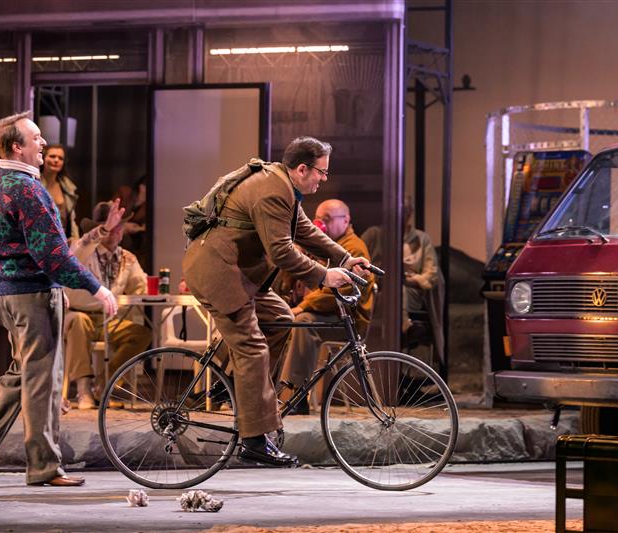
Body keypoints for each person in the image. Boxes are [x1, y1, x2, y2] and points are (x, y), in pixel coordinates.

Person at [0, 111, 117, 487]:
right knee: (42, 381)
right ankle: (44, 467)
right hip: (32, 294)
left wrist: (58, 289)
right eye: (36, 137)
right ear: (16, 147)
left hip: (11, 293)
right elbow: (52, 255)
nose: (43, 143)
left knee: (24, 372)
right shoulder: (28, 189)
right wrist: (96, 287)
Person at [181, 136, 368, 467]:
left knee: (282, 318)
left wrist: (343, 258)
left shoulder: (284, 186)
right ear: (302, 169)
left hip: (239, 274)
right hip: (219, 275)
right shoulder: (272, 190)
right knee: (252, 348)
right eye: (322, 172)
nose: (324, 179)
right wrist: (324, 276)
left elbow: (304, 230)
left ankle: (247, 395)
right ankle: (254, 440)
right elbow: (281, 251)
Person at [279, 199, 374, 415]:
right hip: (330, 316)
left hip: (348, 322)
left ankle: (297, 396)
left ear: (346, 220)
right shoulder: (324, 247)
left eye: (327, 219)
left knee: (304, 323)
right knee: (275, 318)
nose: (320, 224)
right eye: (318, 219)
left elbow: (340, 292)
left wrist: (303, 306)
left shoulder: (354, 248)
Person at [64, 200, 151, 409]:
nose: (115, 231)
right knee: (79, 322)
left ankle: (104, 383)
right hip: (75, 313)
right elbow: (78, 252)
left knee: (141, 334)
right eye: (110, 226)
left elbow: (141, 288)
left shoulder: (127, 258)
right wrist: (102, 230)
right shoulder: (84, 248)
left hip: (108, 319)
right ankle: (83, 389)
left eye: (118, 226)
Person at [361, 195, 445, 366]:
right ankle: (406, 328)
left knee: (400, 290)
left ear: (410, 213)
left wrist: (410, 279)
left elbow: (432, 274)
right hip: (378, 293)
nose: (400, 217)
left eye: (404, 212)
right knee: (395, 290)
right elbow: (358, 263)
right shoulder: (374, 235)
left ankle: (405, 328)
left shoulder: (422, 239)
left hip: (411, 292)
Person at [41, 143, 80, 241]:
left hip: (63, 241)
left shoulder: (67, 187)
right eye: (52, 156)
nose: (56, 160)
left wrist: (76, 240)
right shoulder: (34, 183)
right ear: (43, 158)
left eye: (60, 158)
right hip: (40, 240)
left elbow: (71, 219)